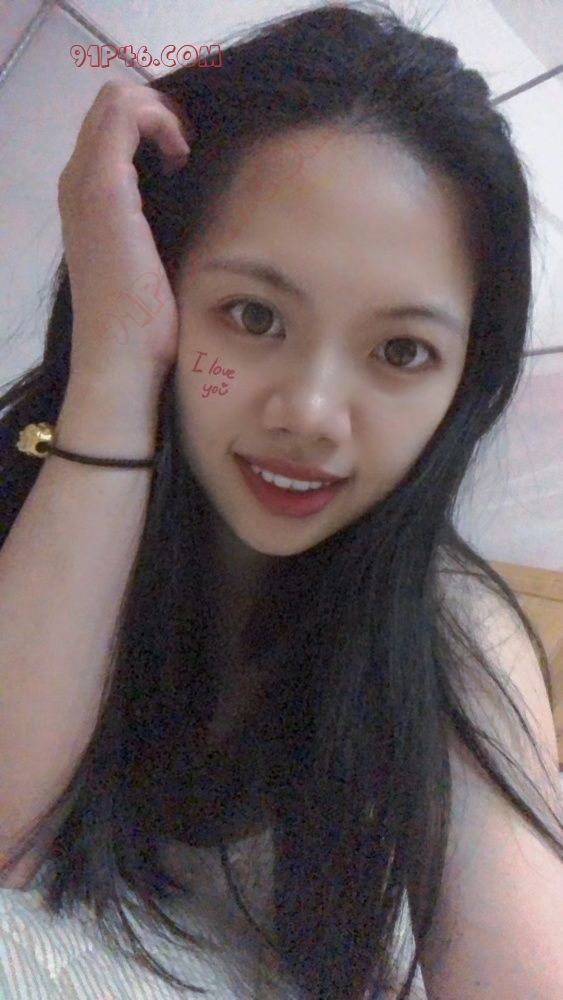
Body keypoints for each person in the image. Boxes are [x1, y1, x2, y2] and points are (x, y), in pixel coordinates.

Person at [0, 2, 562, 998]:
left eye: (401, 351)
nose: (309, 413)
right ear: (159, 278)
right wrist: (115, 362)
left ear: (462, 380)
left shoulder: (448, 632)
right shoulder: (35, 478)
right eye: (253, 315)